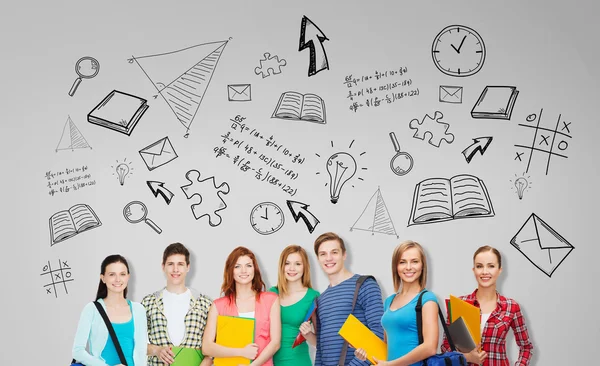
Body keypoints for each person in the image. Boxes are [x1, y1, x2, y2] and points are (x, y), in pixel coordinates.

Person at [441, 245, 533, 365]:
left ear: (500, 270)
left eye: (491, 266)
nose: (485, 271)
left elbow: (526, 347)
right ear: (473, 270)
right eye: (479, 266)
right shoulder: (458, 304)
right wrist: (468, 357)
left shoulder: (511, 307)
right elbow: (445, 348)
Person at [355, 240, 439, 365]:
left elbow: (430, 347)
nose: (408, 267)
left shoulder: (427, 299)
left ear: (422, 265)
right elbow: (386, 347)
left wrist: (391, 365)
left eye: (414, 261)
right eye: (402, 262)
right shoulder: (389, 301)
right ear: (396, 266)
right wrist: (365, 351)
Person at [313, 232, 384, 366]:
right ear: (318, 259)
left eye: (334, 252)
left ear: (344, 255)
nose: (328, 258)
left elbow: (379, 332)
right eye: (323, 254)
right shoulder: (320, 299)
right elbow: (321, 348)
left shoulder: (365, 284)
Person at [202, 246, 281, 366]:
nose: (243, 271)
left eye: (248, 265)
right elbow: (207, 347)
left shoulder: (271, 300)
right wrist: (241, 352)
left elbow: (275, 343)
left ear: (255, 269)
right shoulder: (218, 306)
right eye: (237, 266)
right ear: (231, 271)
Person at [142, 243, 213, 366]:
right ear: (163, 266)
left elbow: (213, 347)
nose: (175, 269)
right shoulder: (148, 303)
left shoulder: (205, 303)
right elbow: (136, 343)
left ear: (188, 267)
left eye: (180, 264)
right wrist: (156, 350)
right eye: (171, 264)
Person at [72, 254, 147, 366]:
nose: (118, 279)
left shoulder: (139, 310)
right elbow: (77, 351)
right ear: (103, 278)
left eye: (122, 274)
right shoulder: (91, 309)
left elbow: (141, 352)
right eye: (112, 274)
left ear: (128, 277)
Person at [268, 245, 320, 366]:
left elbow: (319, 343)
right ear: (282, 266)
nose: (292, 268)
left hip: (298, 361)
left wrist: (308, 334)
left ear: (304, 267)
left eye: (297, 264)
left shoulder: (313, 297)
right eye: (287, 263)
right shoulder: (271, 293)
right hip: (269, 361)